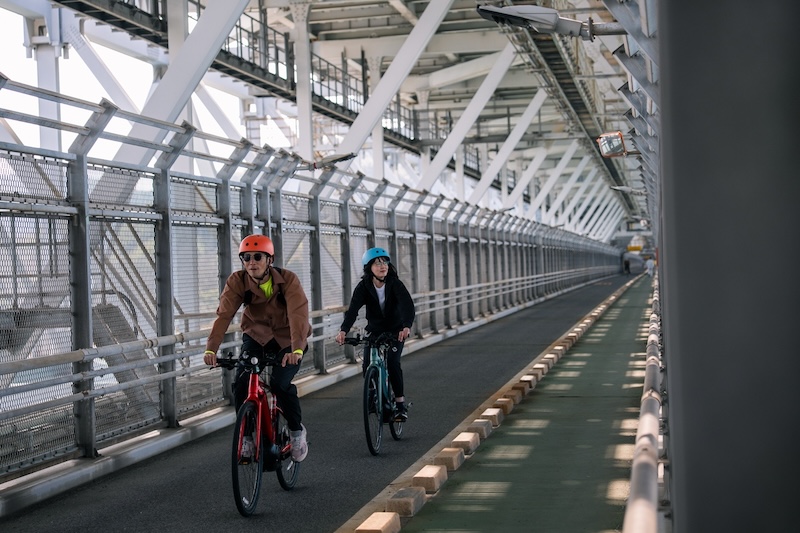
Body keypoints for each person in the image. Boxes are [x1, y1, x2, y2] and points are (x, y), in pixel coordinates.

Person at [203, 234, 312, 462]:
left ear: (269, 259)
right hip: (255, 336)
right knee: (242, 383)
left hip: (287, 339)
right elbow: (224, 315)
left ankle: (296, 431)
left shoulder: (287, 279)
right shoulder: (238, 281)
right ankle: (247, 437)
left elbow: (297, 314)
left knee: (280, 385)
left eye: (258, 257)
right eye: (246, 257)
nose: (252, 262)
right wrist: (211, 348)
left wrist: (297, 350)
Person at [335, 247, 415, 421]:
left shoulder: (395, 283)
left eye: (384, 262)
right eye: (377, 263)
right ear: (368, 267)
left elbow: (407, 305)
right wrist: (343, 330)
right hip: (375, 330)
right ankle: (372, 394)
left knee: (393, 363)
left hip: (396, 330)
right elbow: (353, 310)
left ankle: (400, 405)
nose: (382, 266)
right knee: (367, 365)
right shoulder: (364, 286)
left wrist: (406, 326)